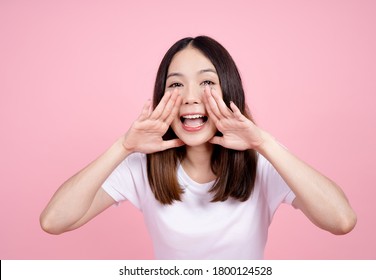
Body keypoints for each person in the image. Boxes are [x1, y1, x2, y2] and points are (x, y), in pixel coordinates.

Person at [40, 35, 357, 259]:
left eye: (207, 82)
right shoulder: (141, 164)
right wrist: (123, 147)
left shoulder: (261, 160)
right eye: (176, 84)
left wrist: (263, 142)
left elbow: (342, 221)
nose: (191, 96)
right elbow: (54, 221)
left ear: (228, 90)